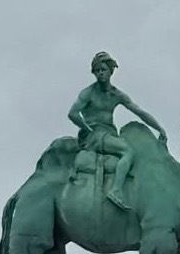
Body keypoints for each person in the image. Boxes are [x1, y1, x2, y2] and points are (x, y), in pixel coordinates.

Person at [67, 52, 168, 210]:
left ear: (110, 71)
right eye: (97, 70)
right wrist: (87, 129)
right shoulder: (88, 93)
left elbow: (139, 111)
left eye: (104, 69)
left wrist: (159, 128)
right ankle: (116, 190)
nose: (101, 73)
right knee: (128, 151)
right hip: (96, 135)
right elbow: (72, 113)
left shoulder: (116, 94)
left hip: (109, 134)